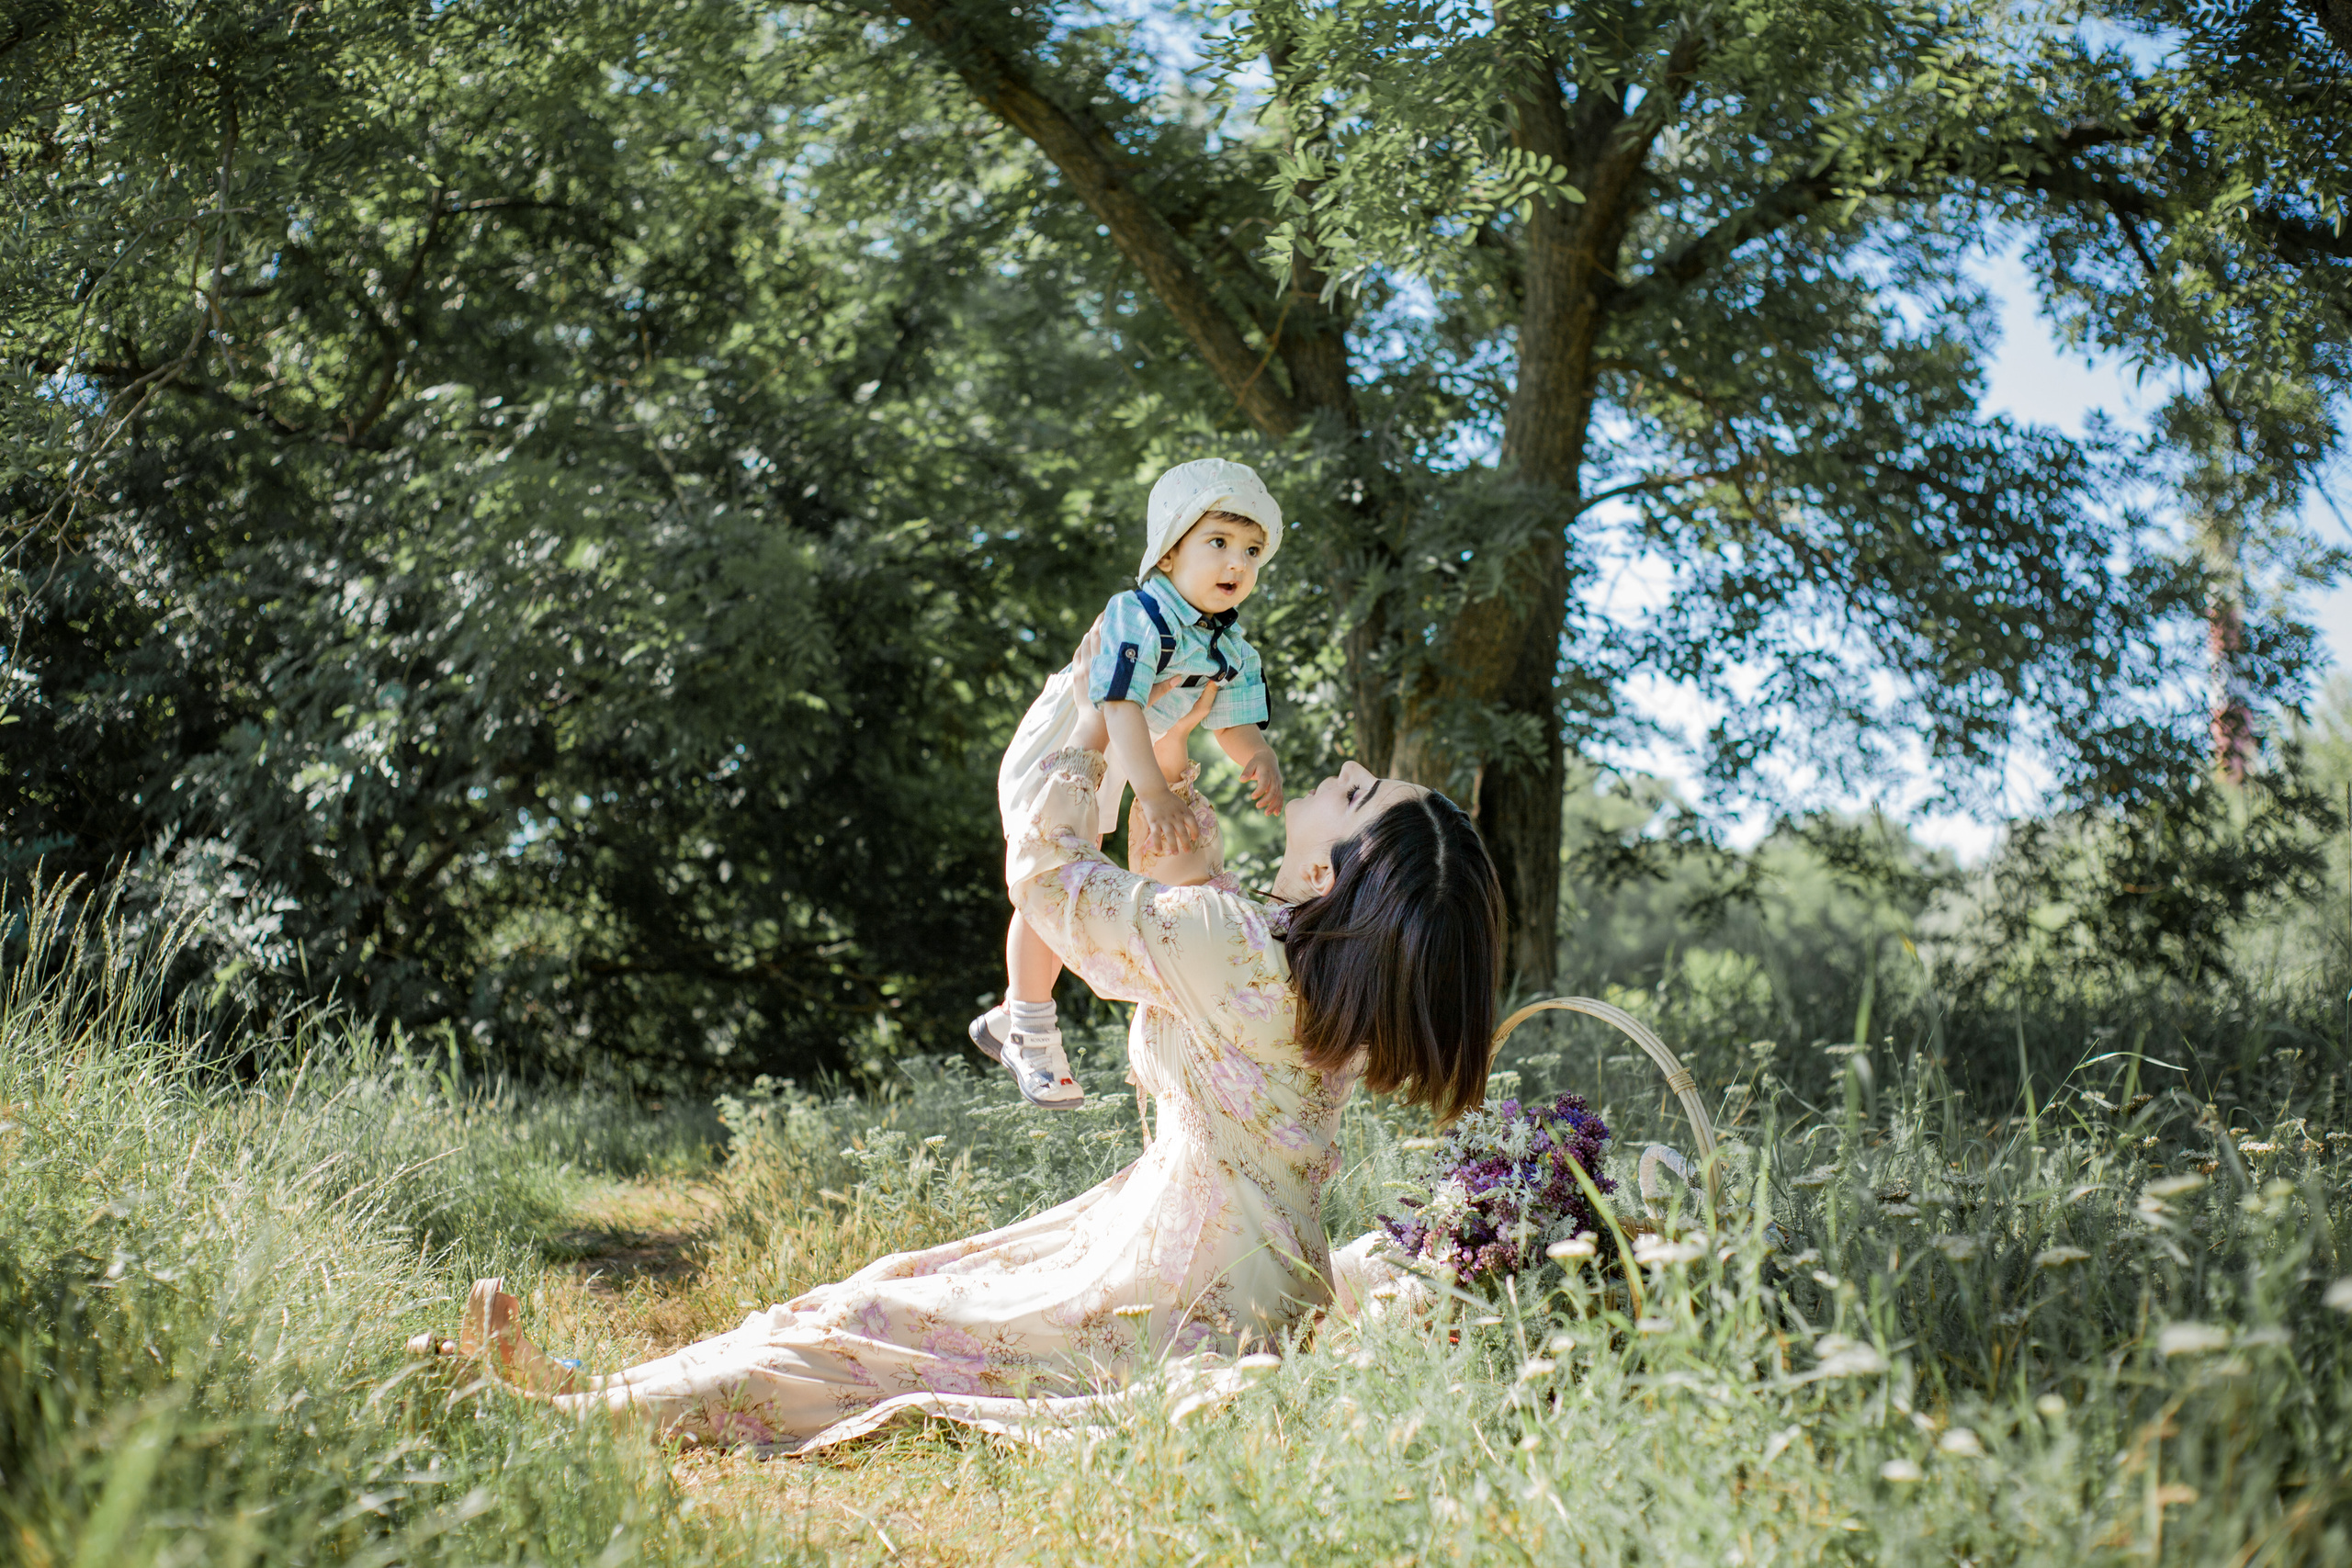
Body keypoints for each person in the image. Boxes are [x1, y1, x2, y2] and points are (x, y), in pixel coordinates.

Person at [419, 645, 1504, 1456]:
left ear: (1329, 878)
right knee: (886, 1297)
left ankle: (565, 1422)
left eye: (1357, 796)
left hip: (1177, 1298)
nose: (1347, 769)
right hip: (1241, 1277)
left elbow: (1051, 883)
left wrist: (1093, 715)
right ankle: (587, 1387)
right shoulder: (1298, 977)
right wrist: (1159, 752)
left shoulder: (1237, 949)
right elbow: (1164, 891)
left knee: (873, 1331)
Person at [971, 457, 1288, 1111]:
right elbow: (1115, 707)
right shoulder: (1136, 612)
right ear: (1169, 553)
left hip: (1126, 759)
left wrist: (1259, 756)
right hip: (1072, 745)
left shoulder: (1233, 648)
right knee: (1053, 870)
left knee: (1075, 871)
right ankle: (1030, 1025)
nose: (1238, 563)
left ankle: (1012, 1015)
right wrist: (1156, 795)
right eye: (1220, 542)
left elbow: (1232, 724)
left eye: (1253, 551)